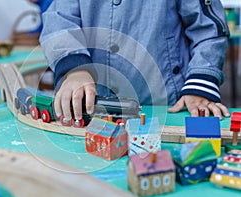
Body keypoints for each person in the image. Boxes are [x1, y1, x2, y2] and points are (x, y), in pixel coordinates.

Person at [40, 0, 231, 123]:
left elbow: (208, 30)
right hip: (95, 108)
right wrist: (76, 69)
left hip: (167, 106)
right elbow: (58, 20)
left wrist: (200, 83)